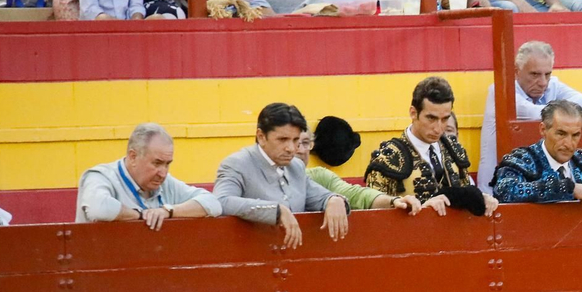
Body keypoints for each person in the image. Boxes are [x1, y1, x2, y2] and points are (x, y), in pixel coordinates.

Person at [215, 102, 352, 248]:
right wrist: (275, 210)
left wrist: (334, 199)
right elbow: (221, 201)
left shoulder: (295, 166)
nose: (291, 149)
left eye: (295, 140)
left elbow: (318, 196)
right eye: (282, 140)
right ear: (261, 137)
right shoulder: (237, 164)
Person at [364, 76, 501, 215]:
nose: (438, 128)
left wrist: (481, 198)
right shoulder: (388, 157)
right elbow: (374, 211)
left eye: (445, 119)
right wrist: (422, 208)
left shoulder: (455, 150)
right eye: (431, 118)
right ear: (413, 113)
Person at [481, 39, 582, 186]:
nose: (543, 82)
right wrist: (579, 113)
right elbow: (533, 113)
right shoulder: (500, 90)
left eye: (547, 74)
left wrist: (579, 111)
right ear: (516, 71)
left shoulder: (551, 85)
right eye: (534, 74)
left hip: (536, 182)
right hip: (496, 184)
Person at [77, 123, 222, 224]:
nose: (163, 173)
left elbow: (213, 204)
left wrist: (168, 211)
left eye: (167, 164)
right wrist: (141, 214)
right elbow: (99, 208)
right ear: (133, 157)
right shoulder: (100, 176)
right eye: (157, 163)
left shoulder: (166, 183)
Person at [296, 117, 419, 210]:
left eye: (306, 143)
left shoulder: (319, 176)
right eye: (293, 142)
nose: (300, 150)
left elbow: (358, 195)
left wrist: (394, 201)